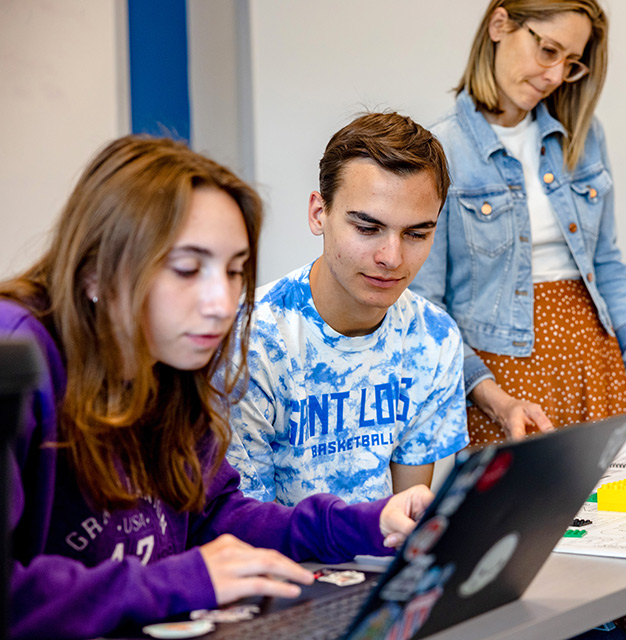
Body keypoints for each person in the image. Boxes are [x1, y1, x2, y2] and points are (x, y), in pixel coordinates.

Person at [2, 135, 432, 639]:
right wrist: (179, 581)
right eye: (187, 269)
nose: (221, 302)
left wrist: (366, 523)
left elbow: (215, 517)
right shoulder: (20, 353)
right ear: (96, 273)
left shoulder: (170, 358)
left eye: (234, 271)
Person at [411, 0, 626, 449]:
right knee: (522, 517)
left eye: (571, 62)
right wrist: (490, 397)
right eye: (548, 50)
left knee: (610, 515)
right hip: (500, 380)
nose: (556, 76)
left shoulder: (583, 134)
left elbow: (608, 265)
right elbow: (426, 309)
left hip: (592, 363)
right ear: (500, 24)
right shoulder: (440, 151)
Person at [226, 112, 468, 507]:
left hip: (377, 559)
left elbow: (408, 517)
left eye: (416, 233)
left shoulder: (433, 337)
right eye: (368, 228)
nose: (392, 257)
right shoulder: (251, 342)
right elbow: (247, 526)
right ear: (319, 213)